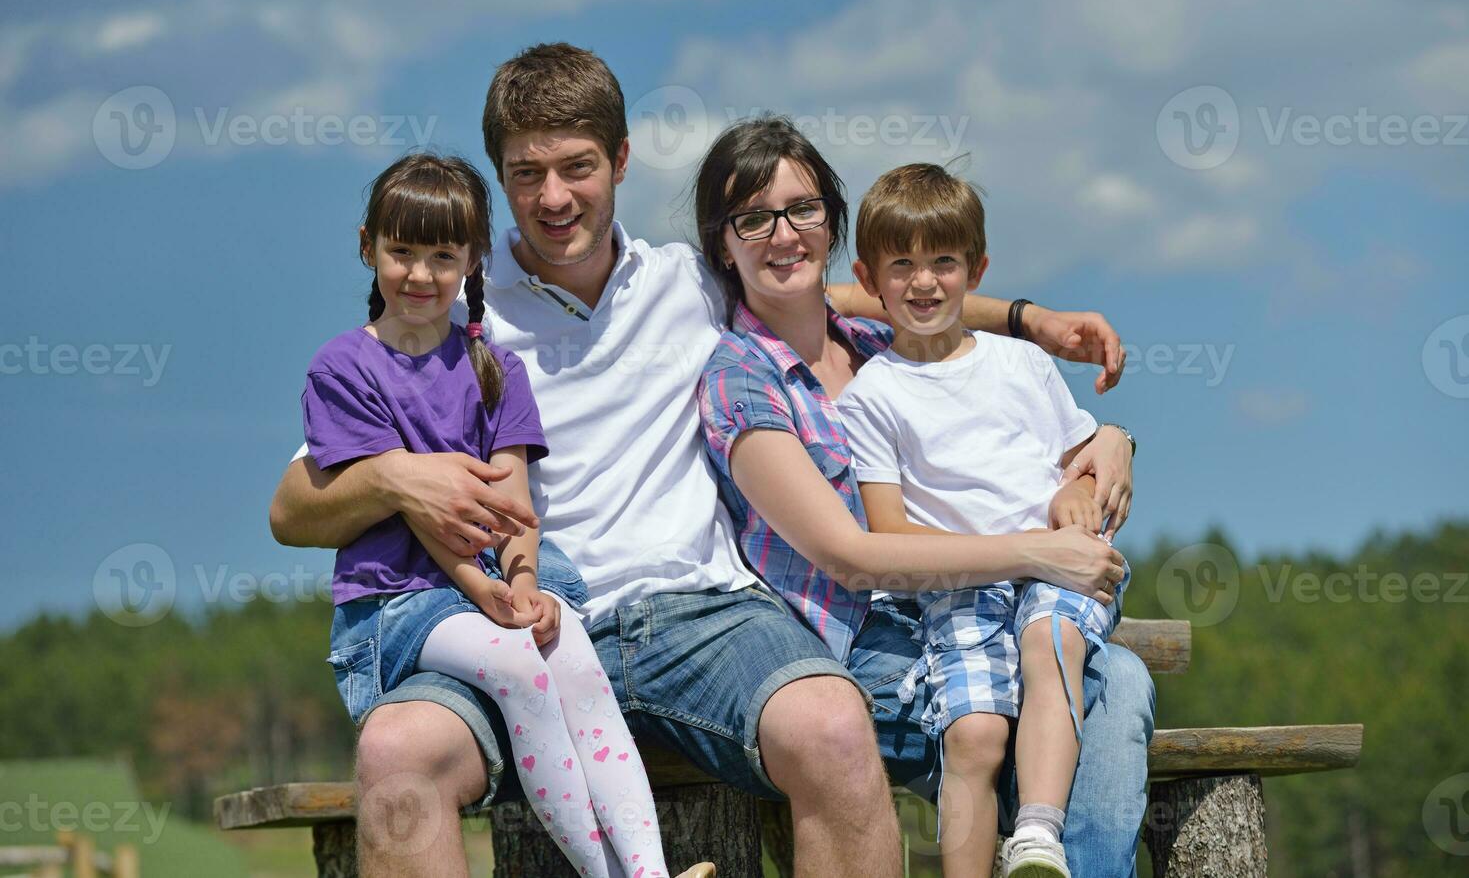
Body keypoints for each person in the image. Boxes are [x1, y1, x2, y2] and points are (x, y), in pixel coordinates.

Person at [270, 43, 1141, 878]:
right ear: (500, 179)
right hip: (523, 618)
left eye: (576, 166)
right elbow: (292, 510)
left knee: (832, 727)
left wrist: (1028, 322)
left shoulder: (686, 282)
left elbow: (832, 288)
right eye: (528, 173)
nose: (554, 196)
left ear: (619, 159)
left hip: (705, 614)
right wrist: (390, 478)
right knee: (395, 753)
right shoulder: (453, 299)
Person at [694, 118, 1151, 877]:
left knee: (1107, 678)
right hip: (863, 650)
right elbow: (852, 557)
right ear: (723, 242)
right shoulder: (741, 377)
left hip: (976, 610)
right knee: (1109, 686)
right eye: (753, 218)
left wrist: (1109, 438)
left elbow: (936, 302)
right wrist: (1040, 551)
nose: (782, 234)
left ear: (831, 227)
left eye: (803, 210)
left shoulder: (877, 344)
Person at [301, 152, 712, 878]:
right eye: (401, 252)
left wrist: (522, 583)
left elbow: (515, 501)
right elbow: (424, 509)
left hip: (494, 574)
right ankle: (604, 873)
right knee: (521, 664)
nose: (420, 275)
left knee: (575, 657)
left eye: (441, 255)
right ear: (367, 246)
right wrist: (486, 590)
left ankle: (649, 871)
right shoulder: (344, 369)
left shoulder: (495, 367)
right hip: (400, 600)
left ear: (472, 259)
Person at [831, 162, 1131, 878]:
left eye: (943, 262)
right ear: (868, 280)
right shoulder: (872, 397)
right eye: (900, 265)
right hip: (957, 587)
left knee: (1049, 641)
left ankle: (1035, 834)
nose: (924, 282)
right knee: (970, 736)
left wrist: (1077, 499)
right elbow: (886, 532)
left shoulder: (1020, 365)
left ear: (976, 270)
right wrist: (1029, 550)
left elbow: (1076, 471)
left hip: (1059, 577)